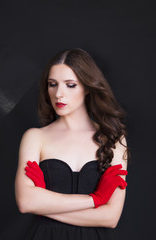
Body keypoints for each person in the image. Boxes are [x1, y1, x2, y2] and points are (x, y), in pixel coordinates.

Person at [15, 48, 129, 240]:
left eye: (70, 85)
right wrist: (96, 199)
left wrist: (44, 206)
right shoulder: (35, 137)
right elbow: (26, 202)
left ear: (87, 87)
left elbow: (110, 217)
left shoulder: (113, 138)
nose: (58, 94)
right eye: (52, 84)